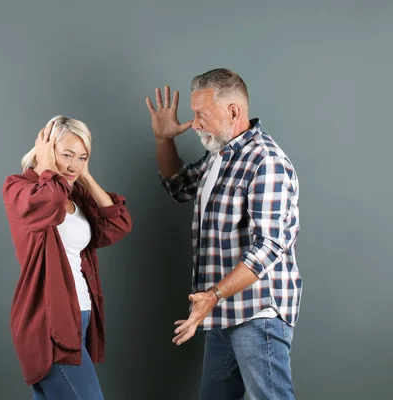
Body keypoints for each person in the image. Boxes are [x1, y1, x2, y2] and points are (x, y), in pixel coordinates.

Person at [145, 68, 302, 399]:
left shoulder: (266, 162)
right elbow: (180, 185)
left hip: (257, 313)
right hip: (222, 310)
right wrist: (164, 139)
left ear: (233, 111)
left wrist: (213, 294)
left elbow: (269, 246)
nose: (196, 123)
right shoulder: (221, 153)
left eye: (201, 114)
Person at [2, 115, 132, 399]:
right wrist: (46, 165)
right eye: (67, 155)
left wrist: (84, 175)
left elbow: (118, 224)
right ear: (47, 150)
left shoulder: (76, 195)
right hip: (50, 318)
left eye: (82, 156)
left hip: (81, 315)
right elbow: (47, 203)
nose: (74, 164)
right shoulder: (20, 189)